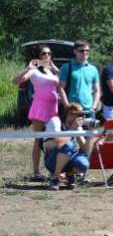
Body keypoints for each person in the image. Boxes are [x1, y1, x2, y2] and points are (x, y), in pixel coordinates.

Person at [11, 45, 60, 181]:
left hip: (53, 109)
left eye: (49, 54)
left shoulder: (53, 71)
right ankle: (36, 172)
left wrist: (54, 67)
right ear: (39, 56)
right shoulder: (34, 71)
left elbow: (64, 82)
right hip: (40, 108)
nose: (47, 56)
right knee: (38, 141)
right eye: (44, 54)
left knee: (54, 140)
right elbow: (15, 81)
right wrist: (29, 67)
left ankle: (53, 170)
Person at [43, 103, 90, 191]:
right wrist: (72, 129)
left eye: (80, 115)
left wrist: (90, 134)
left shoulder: (77, 126)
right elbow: (59, 142)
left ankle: (69, 174)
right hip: (52, 160)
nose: (78, 118)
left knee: (84, 164)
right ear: (68, 113)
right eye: (76, 114)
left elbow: (85, 149)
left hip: (69, 159)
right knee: (68, 145)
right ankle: (55, 179)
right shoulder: (55, 121)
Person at [59, 40, 100, 120]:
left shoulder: (93, 69)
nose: (85, 53)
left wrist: (94, 106)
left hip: (89, 111)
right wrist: (67, 106)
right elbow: (61, 88)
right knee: (72, 132)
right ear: (75, 51)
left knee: (89, 132)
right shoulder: (67, 67)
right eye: (81, 51)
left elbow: (97, 90)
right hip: (73, 110)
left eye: (87, 50)